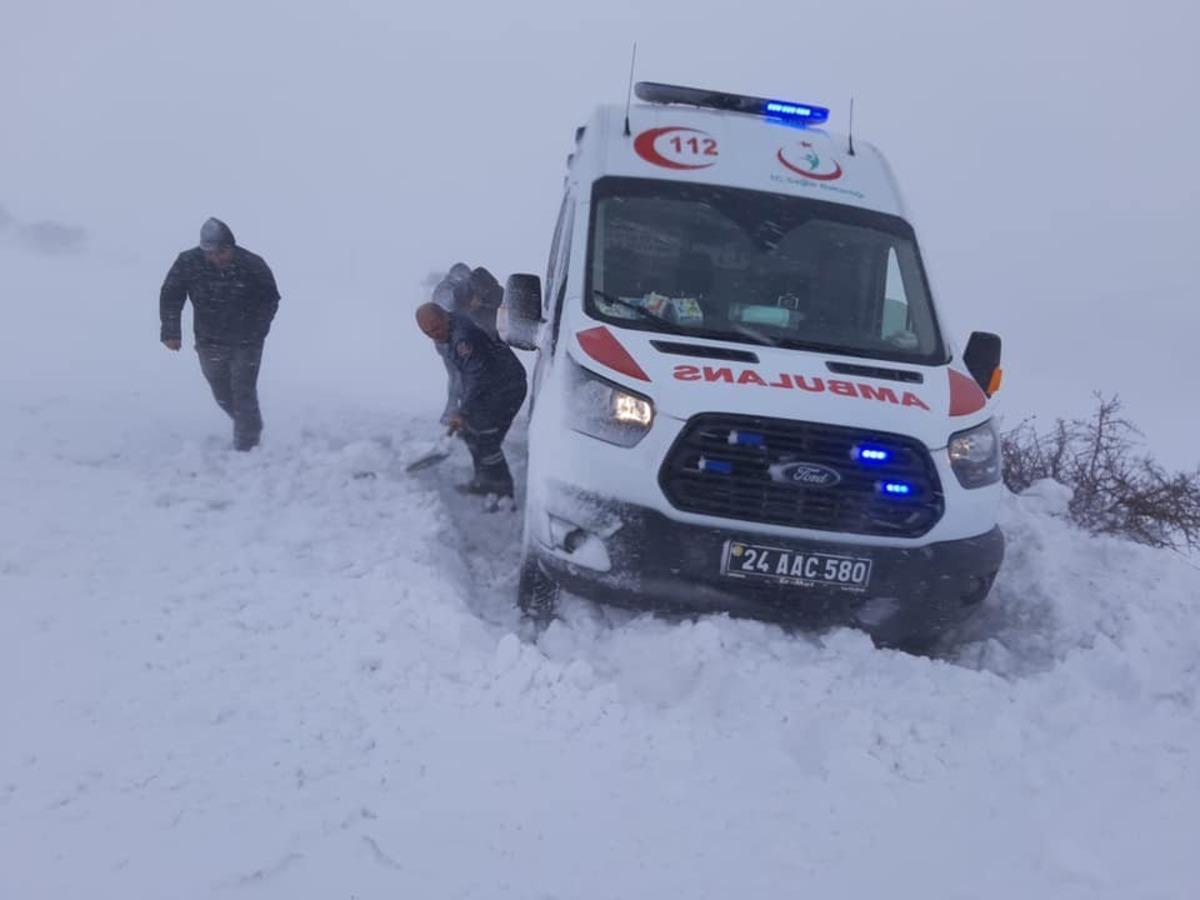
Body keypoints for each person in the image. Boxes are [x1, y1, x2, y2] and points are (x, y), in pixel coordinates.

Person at [159, 218, 280, 451]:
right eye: (210, 253)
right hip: (209, 340)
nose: (216, 258)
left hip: (247, 341)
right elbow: (171, 296)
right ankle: (249, 423)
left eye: (221, 252)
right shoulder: (188, 263)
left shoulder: (252, 264)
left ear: (231, 247)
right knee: (221, 391)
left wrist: (258, 330)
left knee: (243, 389)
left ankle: (246, 446)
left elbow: (270, 299)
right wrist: (171, 331)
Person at [415, 302, 527, 502]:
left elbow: (477, 376)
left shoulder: (464, 338)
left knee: (486, 439)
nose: (435, 335)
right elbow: (464, 375)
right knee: (470, 433)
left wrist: (464, 410)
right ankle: (484, 481)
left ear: (444, 316)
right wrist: (461, 409)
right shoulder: (451, 329)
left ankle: (503, 491)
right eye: (428, 333)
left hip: (507, 387)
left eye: (436, 327)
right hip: (492, 387)